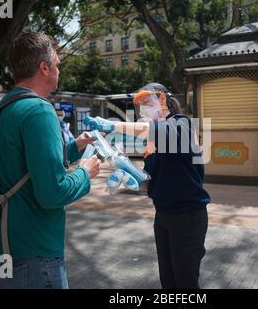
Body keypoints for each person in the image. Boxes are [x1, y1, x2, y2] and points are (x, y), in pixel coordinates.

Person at [0, 32, 101, 289]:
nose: (58, 70)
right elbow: (52, 194)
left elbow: (20, 164)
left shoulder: (2, 108)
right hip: (31, 255)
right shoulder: (39, 109)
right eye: (56, 64)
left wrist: (74, 147)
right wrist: (84, 173)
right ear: (44, 67)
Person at [85, 83, 211, 289]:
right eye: (139, 105)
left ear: (162, 99)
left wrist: (111, 125)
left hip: (188, 216)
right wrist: (129, 177)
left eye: (146, 102)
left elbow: (155, 131)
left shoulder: (182, 125)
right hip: (163, 214)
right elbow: (150, 182)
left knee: (186, 283)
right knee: (168, 281)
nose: (142, 109)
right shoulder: (153, 140)